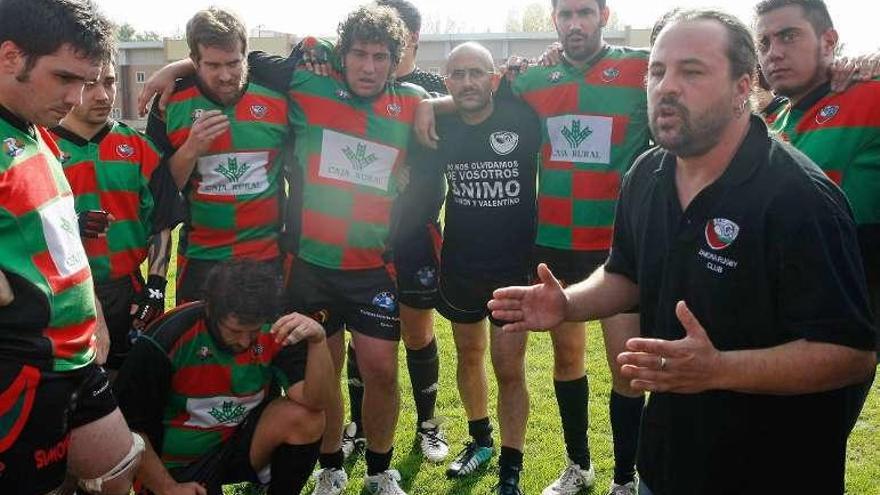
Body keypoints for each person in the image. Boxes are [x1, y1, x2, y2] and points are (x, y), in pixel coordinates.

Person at [490, 8, 878, 495]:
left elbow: (850, 355)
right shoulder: (646, 176)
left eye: (691, 71)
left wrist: (719, 370)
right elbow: (624, 274)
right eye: (657, 71)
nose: (666, 86)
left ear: (743, 86)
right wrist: (569, 304)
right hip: (665, 462)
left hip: (774, 471)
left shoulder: (801, 198)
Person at [416, 1, 649, 493]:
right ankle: (579, 464)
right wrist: (426, 105)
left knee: (626, 365)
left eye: (585, 12)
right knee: (568, 358)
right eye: (566, 14)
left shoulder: (641, 68)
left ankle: (626, 479)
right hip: (555, 247)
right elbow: (473, 94)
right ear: (555, 21)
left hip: (618, 246)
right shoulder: (534, 81)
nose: (575, 23)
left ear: (604, 15)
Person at [0, 0, 144, 493]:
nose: (78, 97)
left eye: (88, 81)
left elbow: (56, 234)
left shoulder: (35, 129)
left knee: (117, 468)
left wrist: (96, 318)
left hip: (76, 352)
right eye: (65, 78)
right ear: (10, 56)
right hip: (24, 362)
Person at [114, 259, 334, 495]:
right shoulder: (166, 338)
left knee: (307, 417)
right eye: (235, 331)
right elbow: (128, 429)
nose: (244, 341)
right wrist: (167, 487)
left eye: (253, 331)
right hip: (174, 465)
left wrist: (318, 340)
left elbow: (316, 402)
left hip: (236, 446)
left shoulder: (275, 329)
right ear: (210, 310)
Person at [425, 42, 539, 495]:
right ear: (447, 82)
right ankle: (480, 441)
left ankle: (511, 464)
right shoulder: (441, 123)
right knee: (469, 356)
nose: (468, 82)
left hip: (513, 265)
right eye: (458, 74)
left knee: (509, 366)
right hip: (461, 263)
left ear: (493, 78)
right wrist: (426, 107)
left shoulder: (522, 116)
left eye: (477, 72)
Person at [341, 0, 449, 464]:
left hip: (414, 234)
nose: (381, 50)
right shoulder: (351, 83)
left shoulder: (426, 88)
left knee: (417, 331)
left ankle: (428, 425)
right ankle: (358, 427)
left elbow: (475, 93)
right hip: (363, 234)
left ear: (411, 41)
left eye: (394, 39)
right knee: (361, 335)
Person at [755, 0, 880, 349]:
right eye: (764, 43)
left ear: (828, 41)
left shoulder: (869, 94)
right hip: (778, 307)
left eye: (788, 36)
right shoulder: (773, 118)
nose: (773, 53)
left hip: (837, 325)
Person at [145, 7, 290, 304]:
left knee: (265, 347)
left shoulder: (278, 94)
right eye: (212, 65)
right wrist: (190, 149)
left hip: (266, 255)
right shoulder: (170, 104)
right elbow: (158, 190)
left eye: (233, 63)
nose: (225, 75)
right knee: (199, 347)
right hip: (202, 257)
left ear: (245, 55)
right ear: (194, 61)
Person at [50, 59, 179, 372]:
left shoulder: (141, 148)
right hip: (64, 294)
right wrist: (70, 226)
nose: (103, 95)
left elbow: (160, 225)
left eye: (108, 82)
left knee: (130, 386)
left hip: (128, 293)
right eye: (90, 84)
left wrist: (156, 288)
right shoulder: (42, 147)